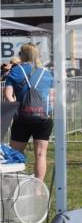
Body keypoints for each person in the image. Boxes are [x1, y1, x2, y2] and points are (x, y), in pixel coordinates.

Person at [3, 43, 54, 179]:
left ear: (22, 55)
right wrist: (48, 110)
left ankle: (14, 183)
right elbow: (52, 98)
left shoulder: (16, 71)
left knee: (15, 153)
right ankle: (39, 186)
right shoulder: (47, 73)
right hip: (43, 118)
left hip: (22, 117)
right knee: (41, 154)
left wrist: (15, 110)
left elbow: (8, 95)